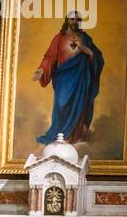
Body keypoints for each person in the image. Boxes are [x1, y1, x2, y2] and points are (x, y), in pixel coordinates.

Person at [34, 10, 104, 145]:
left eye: (78, 20)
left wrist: (87, 51)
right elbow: (50, 57)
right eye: (72, 19)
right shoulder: (59, 38)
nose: (75, 22)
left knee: (80, 105)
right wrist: (42, 70)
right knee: (62, 104)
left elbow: (96, 55)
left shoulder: (85, 38)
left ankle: (74, 136)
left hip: (80, 79)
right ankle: (60, 134)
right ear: (67, 20)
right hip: (63, 78)